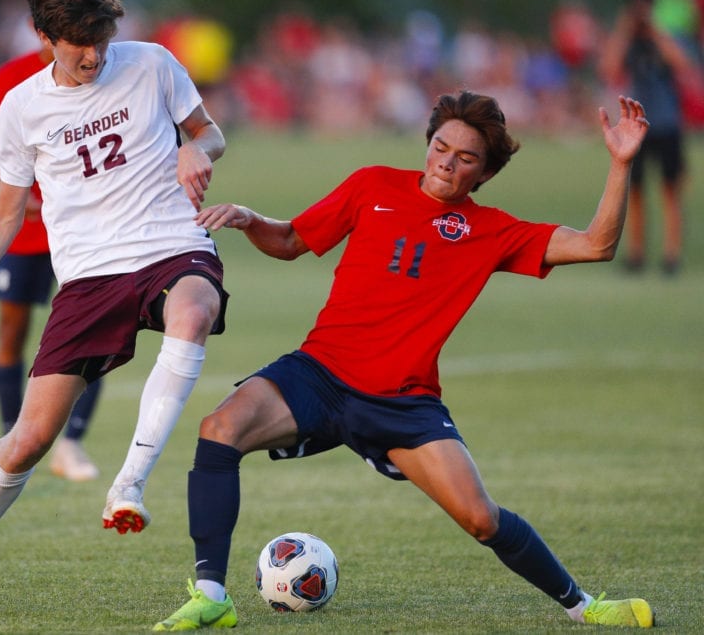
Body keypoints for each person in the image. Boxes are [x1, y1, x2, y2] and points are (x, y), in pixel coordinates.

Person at [154, 92, 654, 630]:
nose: (446, 161)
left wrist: (621, 164)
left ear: (484, 173)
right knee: (219, 428)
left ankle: (583, 606)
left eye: (465, 157)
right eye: (441, 146)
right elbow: (292, 239)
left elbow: (597, 245)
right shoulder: (374, 184)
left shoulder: (492, 230)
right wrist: (250, 218)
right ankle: (211, 595)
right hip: (319, 373)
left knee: (482, 519)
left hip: (403, 401)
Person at [0, 0, 228, 616]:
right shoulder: (22, 108)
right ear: (45, 37)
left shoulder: (154, 63)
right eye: (80, 49)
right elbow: (6, 213)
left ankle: (128, 482)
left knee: (194, 311)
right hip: (89, 275)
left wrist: (199, 149)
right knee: (29, 438)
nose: (95, 58)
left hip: (169, 243)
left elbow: (208, 133)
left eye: (101, 43)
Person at [0, 43, 103, 481]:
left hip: (86, 231)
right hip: (27, 233)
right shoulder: (12, 79)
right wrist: (25, 200)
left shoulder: (100, 71)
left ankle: (70, 444)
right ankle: (11, 439)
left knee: (94, 334)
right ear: (43, 28)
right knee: (12, 332)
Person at [599, 0, 696, 275]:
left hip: (666, 124)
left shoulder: (665, 38)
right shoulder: (627, 41)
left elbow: (683, 64)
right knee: (635, 190)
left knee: (671, 189)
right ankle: (636, 252)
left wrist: (655, 30)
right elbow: (608, 69)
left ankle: (671, 253)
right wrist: (624, 30)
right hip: (635, 128)